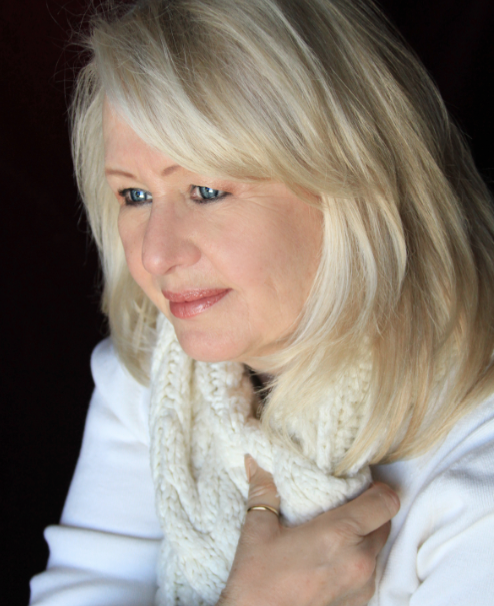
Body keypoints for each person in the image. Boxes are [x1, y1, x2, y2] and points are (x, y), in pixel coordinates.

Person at [30, 0, 494, 604]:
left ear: (353, 183)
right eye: (135, 195)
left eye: (205, 190)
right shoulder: (147, 384)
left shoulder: (476, 462)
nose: (155, 254)